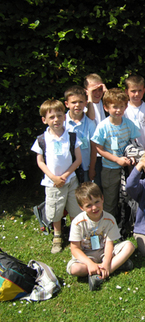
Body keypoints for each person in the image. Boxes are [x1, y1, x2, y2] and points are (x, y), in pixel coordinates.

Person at [31, 99, 82, 253]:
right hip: (52, 183)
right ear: (44, 120)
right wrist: (53, 177)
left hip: (71, 180)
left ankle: (76, 236)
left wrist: (66, 175)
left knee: (75, 209)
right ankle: (57, 236)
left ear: (64, 117)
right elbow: (40, 162)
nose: (56, 120)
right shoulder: (42, 140)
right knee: (55, 210)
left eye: (59, 116)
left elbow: (78, 159)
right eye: (51, 117)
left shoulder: (72, 137)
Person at [67, 182, 135, 291]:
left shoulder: (109, 219)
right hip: (87, 255)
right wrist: (89, 263)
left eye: (96, 202)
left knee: (129, 246)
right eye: (88, 205)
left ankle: (103, 272)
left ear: (102, 198)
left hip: (105, 252)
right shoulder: (77, 222)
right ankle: (116, 265)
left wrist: (107, 262)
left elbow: (109, 244)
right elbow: (74, 248)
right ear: (81, 207)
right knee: (75, 269)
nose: (94, 207)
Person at [91, 88, 140, 219]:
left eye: (121, 107)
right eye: (114, 107)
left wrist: (132, 156)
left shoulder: (129, 124)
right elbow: (99, 149)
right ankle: (108, 224)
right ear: (106, 107)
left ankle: (125, 222)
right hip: (110, 169)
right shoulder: (103, 126)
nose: (118, 110)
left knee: (127, 197)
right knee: (110, 199)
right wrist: (117, 160)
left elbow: (133, 143)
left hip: (127, 169)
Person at [64, 85, 97, 183]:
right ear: (66, 104)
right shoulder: (62, 123)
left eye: (81, 102)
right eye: (73, 102)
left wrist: (92, 168)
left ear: (86, 103)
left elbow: (94, 148)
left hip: (85, 168)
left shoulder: (90, 124)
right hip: (66, 169)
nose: (77, 105)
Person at [84, 73, 108, 188]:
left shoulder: (104, 104)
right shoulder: (86, 105)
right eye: (94, 90)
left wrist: (106, 92)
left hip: (105, 151)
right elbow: (91, 116)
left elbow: (115, 101)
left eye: (100, 89)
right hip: (93, 153)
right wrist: (89, 97)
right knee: (95, 184)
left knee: (104, 183)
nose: (98, 93)